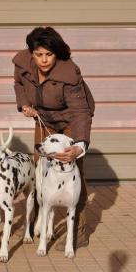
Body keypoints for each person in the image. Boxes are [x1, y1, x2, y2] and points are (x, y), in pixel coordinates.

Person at [12, 26, 95, 250]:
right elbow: (19, 85)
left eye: (49, 54)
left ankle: (78, 230)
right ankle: (39, 223)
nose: (44, 60)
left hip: (71, 120)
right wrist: (25, 105)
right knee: (40, 166)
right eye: (39, 54)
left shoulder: (69, 73)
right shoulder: (22, 63)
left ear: (56, 53)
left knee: (73, 169)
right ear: (31, 53)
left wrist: (79, 146)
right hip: (44, 118)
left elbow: (81, 112)